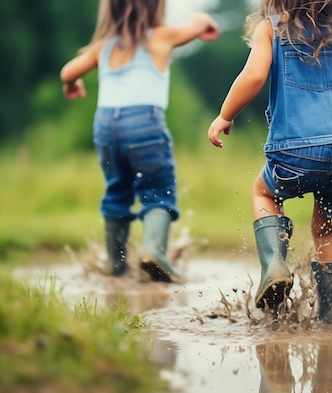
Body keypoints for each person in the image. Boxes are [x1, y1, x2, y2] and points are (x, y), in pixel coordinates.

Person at [208, 0, 332, 322]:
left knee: (264, 192)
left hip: (294, 151)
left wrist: (225, 115)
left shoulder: (272, 29)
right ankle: (331, 317)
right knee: (329, 229)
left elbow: (253, 76)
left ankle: (275, 265)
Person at [61, 0, 219, 283]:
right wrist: (206, 21)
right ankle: (153, 250)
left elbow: (67, 72)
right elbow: (196, 24)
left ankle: (115, 266)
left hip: (106, 127)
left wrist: (72, 84)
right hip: (144, 122)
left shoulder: (103, 46)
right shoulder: (161, 36)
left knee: (116, 189)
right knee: (157, 189)